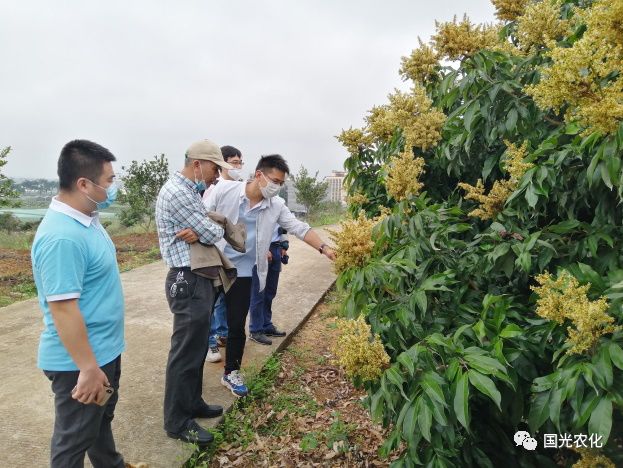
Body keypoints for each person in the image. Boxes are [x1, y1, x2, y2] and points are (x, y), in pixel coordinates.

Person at [31, 140, 144, 468]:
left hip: (103, 350)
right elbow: (63, 309)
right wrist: (88, 368)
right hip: (79, 363)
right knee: (73, 440)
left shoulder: (87, 219)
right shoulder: (62, 237)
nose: (113, 187)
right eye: (109, 180)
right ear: (84, 184)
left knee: (98, 421)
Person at [205, 154, 336, 397]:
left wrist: (325, 248)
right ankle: (193, 373)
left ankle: (231, 372)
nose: (276, 187)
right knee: (201, 322)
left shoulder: (275, 205)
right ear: (259, 175)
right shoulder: (225, 191)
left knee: (236, 325)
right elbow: (201, 215)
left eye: (280, 183)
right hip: (213, 265)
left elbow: (299, 228)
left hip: (242, 272)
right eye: (274, 180)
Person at [155, 139, 232, 446]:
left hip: (196, 276)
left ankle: (192, 402)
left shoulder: (189, 190)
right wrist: (205, 229)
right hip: (187, 279)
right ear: (198, 164)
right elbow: (215, 231)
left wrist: (201, 228)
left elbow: (209, 229)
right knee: (185, 351)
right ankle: (176, 421)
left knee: (198, 346)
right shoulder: (177, 192)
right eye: (215, 168)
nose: (216, 175)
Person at [202, 145, 244, 363]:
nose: (238, 166)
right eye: (234, 162)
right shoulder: (215, 189)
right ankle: (210, 344)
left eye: (240, 162)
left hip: (232, 254)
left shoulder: (240, 188)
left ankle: (223, 334)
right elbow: (204, 215)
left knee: (226, 301)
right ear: (223, 164)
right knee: (213, 301)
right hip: (215, 251)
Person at [248, 225, 288, 345]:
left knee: (270, 291)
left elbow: (283, 224)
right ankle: (255, 329)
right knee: (258, 292)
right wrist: (263, 249)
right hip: (260, 248)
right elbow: (252, 227)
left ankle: (266, 324)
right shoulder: (257, 206)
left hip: (276, 247)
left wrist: (284, 243)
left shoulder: (278, 206)